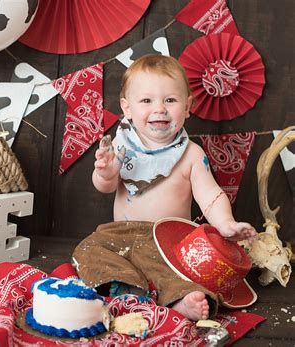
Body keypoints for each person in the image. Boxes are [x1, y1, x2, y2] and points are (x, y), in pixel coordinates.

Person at [72, 54, 257, 321]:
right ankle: (129, 288)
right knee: (88, 249)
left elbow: (211, 196)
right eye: (146, 101)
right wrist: (106, 173)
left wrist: (226, 224)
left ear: (188, 106)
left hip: (169, 243)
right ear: (127, 108)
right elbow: (106, 187)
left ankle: (180, 300)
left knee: (177, 271)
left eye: (170, 100)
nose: (159, 108)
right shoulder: (121, 148)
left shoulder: (191, 154)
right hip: (120, 234)